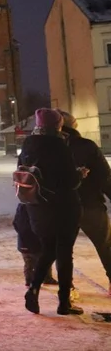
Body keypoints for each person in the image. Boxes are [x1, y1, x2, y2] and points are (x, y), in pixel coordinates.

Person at [19, 109, 85, 315]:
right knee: (65, 252)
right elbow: (69, 181)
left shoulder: (28, 145)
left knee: (48, 249)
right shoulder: (58, 145)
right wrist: (80, 174)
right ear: (57, 125)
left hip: (37, 208)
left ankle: (34, 288)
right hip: (63, 207)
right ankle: (64, 302)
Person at [59, 112, 111, 296]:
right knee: (105, 244)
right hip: (90, 204)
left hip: (62, 208)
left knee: (63, 249)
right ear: (73, 126)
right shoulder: (86, 146)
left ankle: (66, 288)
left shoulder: (48, 147)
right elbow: (105, 176)